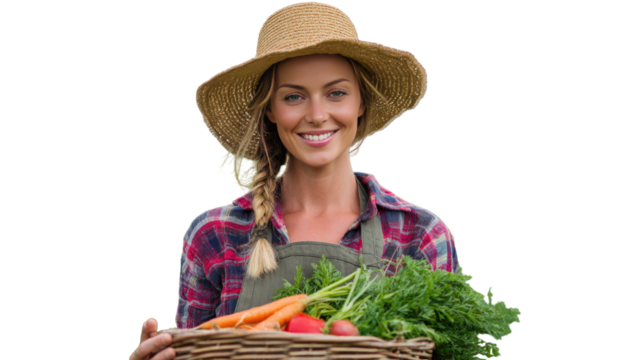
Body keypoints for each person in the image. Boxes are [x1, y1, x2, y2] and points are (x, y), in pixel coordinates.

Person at [130, 1, 453, 358]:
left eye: (336, 93)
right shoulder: (215, 233)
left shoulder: (419, 234)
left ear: (361, 101)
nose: (317, 115)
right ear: (270, 109)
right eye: (294, 96)